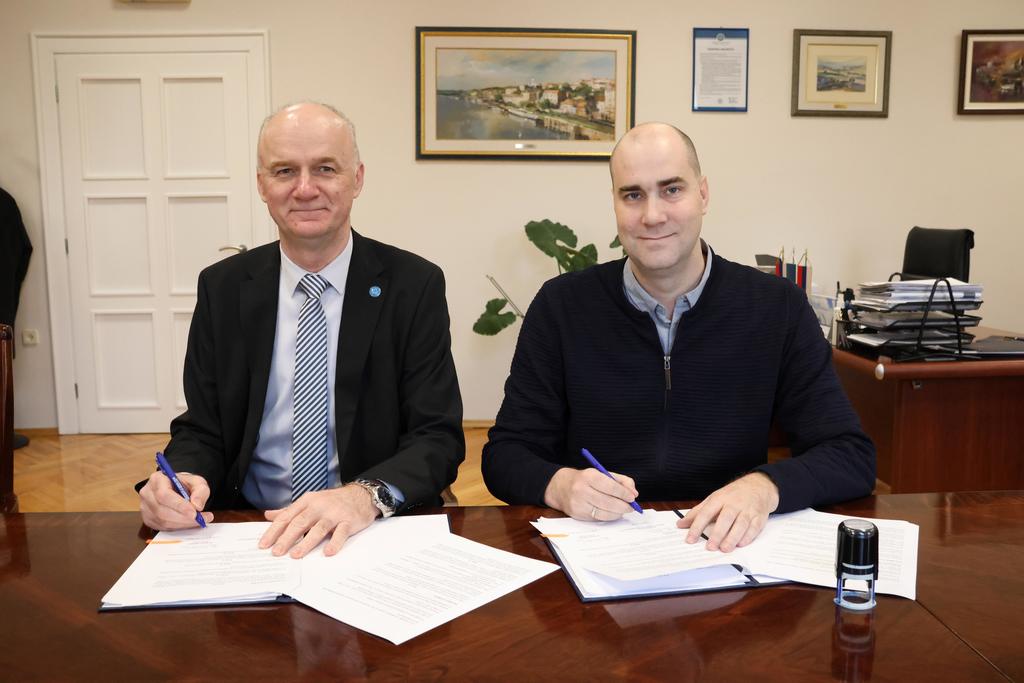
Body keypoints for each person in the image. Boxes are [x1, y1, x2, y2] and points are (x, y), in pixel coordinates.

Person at [482, 122, 875, 553]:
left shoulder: (776, 306)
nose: (652, 215)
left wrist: (764, 487)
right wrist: (560, 485)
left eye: (672, 190)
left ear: (703, 194)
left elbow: (849, 454)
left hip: (725, 548)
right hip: (599, 551)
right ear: (615, 203)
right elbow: (506, 454)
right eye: (633, 195)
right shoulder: (561, 306)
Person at [138, 102, 464, 558]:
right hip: (251, 527)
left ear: (357, 179)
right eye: (285, 171)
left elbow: (437, 436)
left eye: (325, 168)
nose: (305, 188)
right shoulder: (223, 287)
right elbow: (205, 427)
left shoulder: (413, 285)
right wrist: (184, 477)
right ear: (262, 185)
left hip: (368, 529)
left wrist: (364, 496)